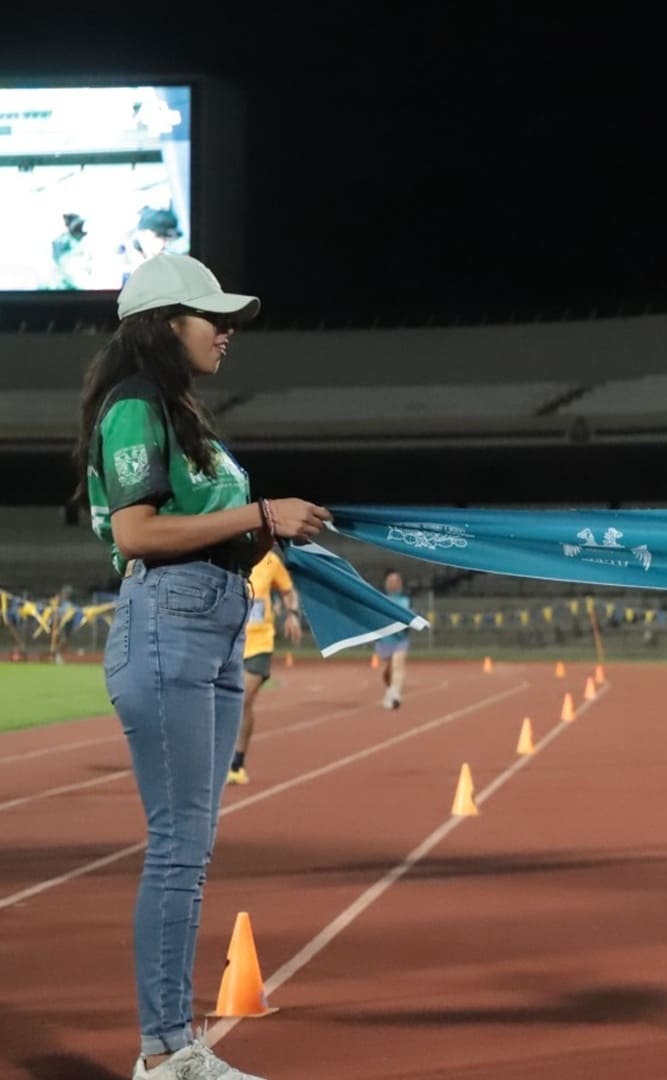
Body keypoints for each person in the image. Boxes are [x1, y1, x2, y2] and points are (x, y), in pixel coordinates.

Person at [75, 253, 330, 1079]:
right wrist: (261, 511)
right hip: (169, 624)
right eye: (211, 317)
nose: (227, 332)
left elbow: (214, 525)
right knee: (179, 846)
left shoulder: (186, 416)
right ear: (161, 324)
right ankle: (165, 1051)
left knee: (192, 845)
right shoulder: (133, 407)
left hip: (216, 625)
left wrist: (268, 529)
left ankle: (173, 1046)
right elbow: (137, 533)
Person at [229, 547, 302, 785]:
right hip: (227, 642)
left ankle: (237, 763)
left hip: (259, 643)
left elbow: (288, 591)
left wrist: (291, 613)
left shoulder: (270, 562)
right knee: (224, 703)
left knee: (242, 700)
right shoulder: (227, 558)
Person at [375, 570, 412, 709]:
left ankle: (395, 694)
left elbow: (409, 617)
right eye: (389, 581)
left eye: (395, 581)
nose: (392, 584)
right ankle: (390, 690)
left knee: (398, 664)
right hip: (384, 640)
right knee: (388, 671)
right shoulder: (380, 599)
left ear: (400, 584)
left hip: (400, 640)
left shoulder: (405, 600)